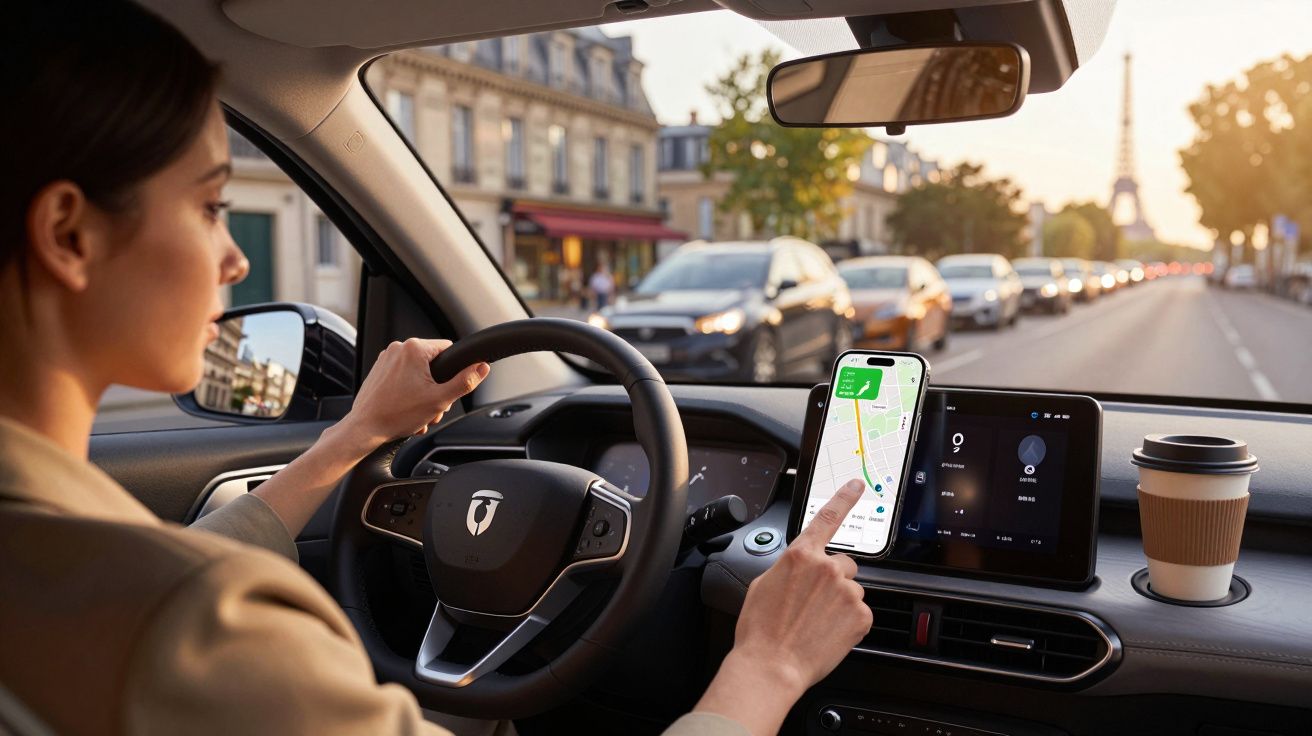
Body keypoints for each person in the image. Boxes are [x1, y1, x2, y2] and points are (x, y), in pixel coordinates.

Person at [0, 2, 873, 735]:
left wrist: (356, 437)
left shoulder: (79, 576)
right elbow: (169, 595)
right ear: (69, 234)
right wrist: (766, 665)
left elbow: (160, 571)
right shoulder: (189, 629)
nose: (235, 259)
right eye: (210, 205)